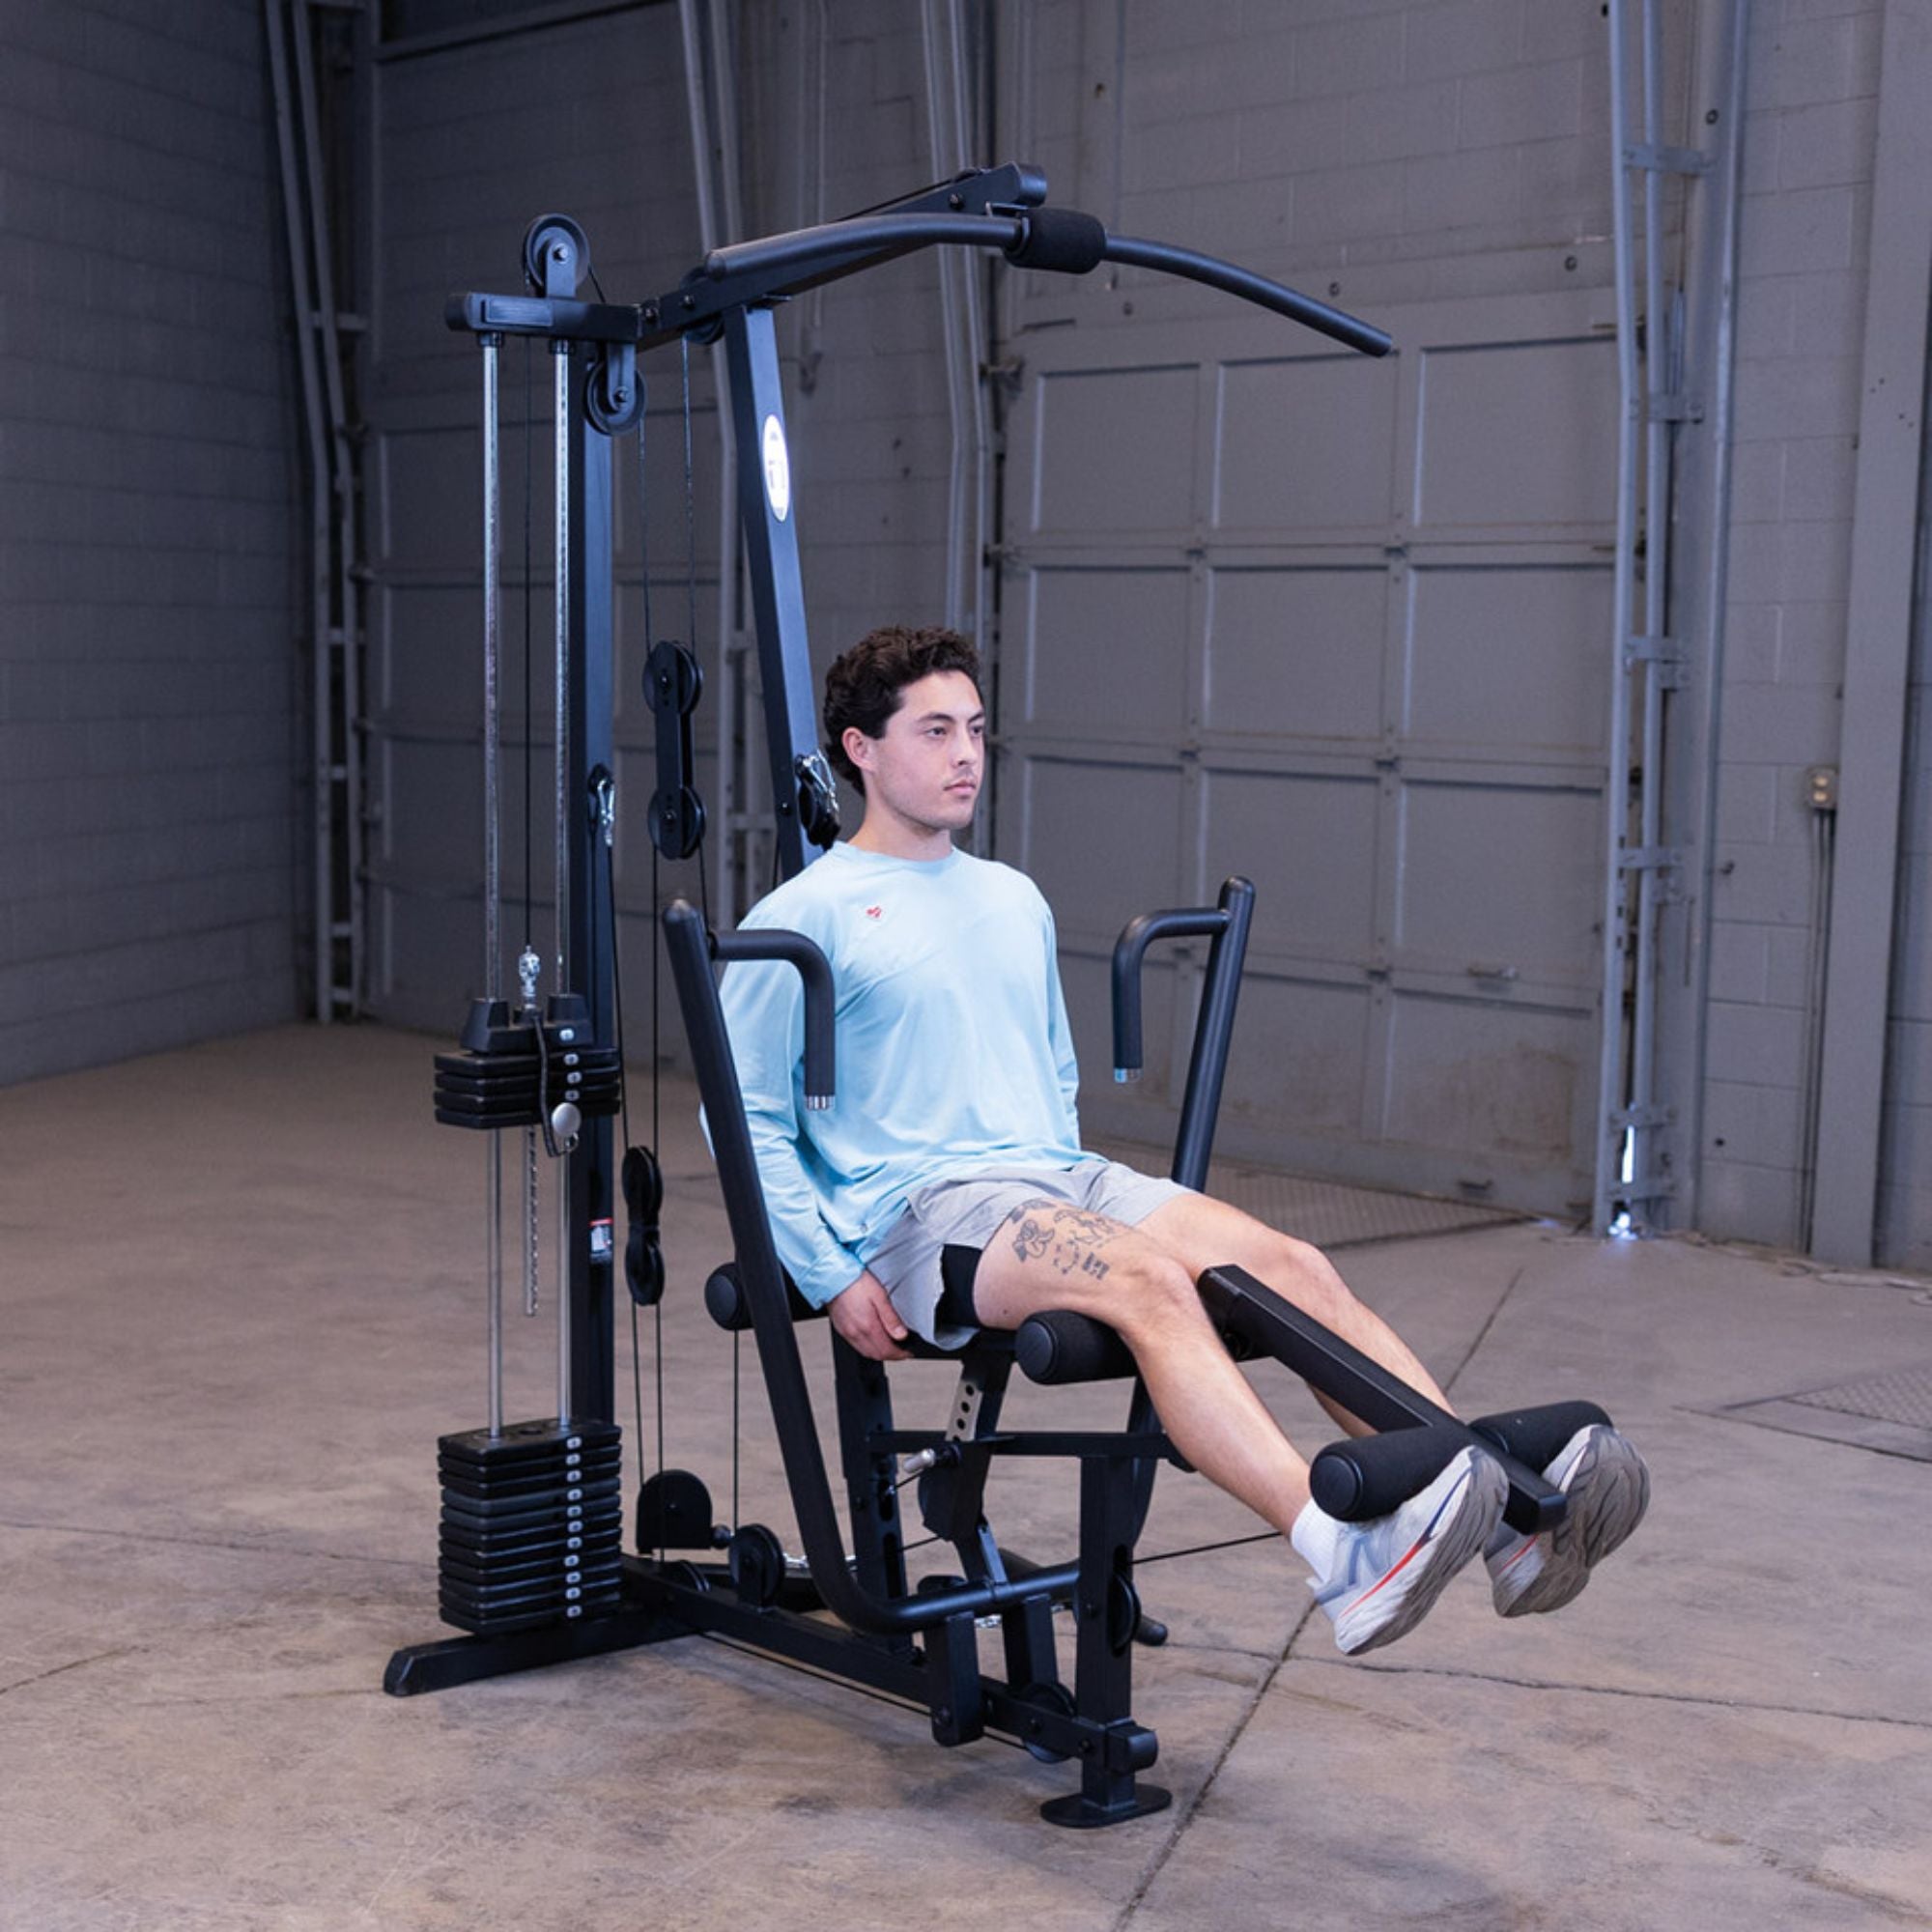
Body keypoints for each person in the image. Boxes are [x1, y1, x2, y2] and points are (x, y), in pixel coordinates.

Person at [719, 625, 1647, 1655]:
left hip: (1056, 1177)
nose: (964, 754)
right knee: (1151, 1285)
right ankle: (1338, 1551)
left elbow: (1050, 1077)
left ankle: (1513, 1525)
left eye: (975, 729)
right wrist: (832, 1269)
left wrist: (1074, 1200)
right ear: (860, 749)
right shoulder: (804, 916)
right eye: (934, 731)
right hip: (920, 1210)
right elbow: (744, 1114)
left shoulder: (1008, 897)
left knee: (1291, 1267)